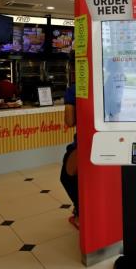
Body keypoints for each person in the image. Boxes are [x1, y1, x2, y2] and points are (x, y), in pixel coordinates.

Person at [60, 81, 78, 229]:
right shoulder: (110, 84)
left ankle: (80, 213)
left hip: (83, 144)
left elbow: (70, 121)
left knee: (66, 177)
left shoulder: (74, 89)